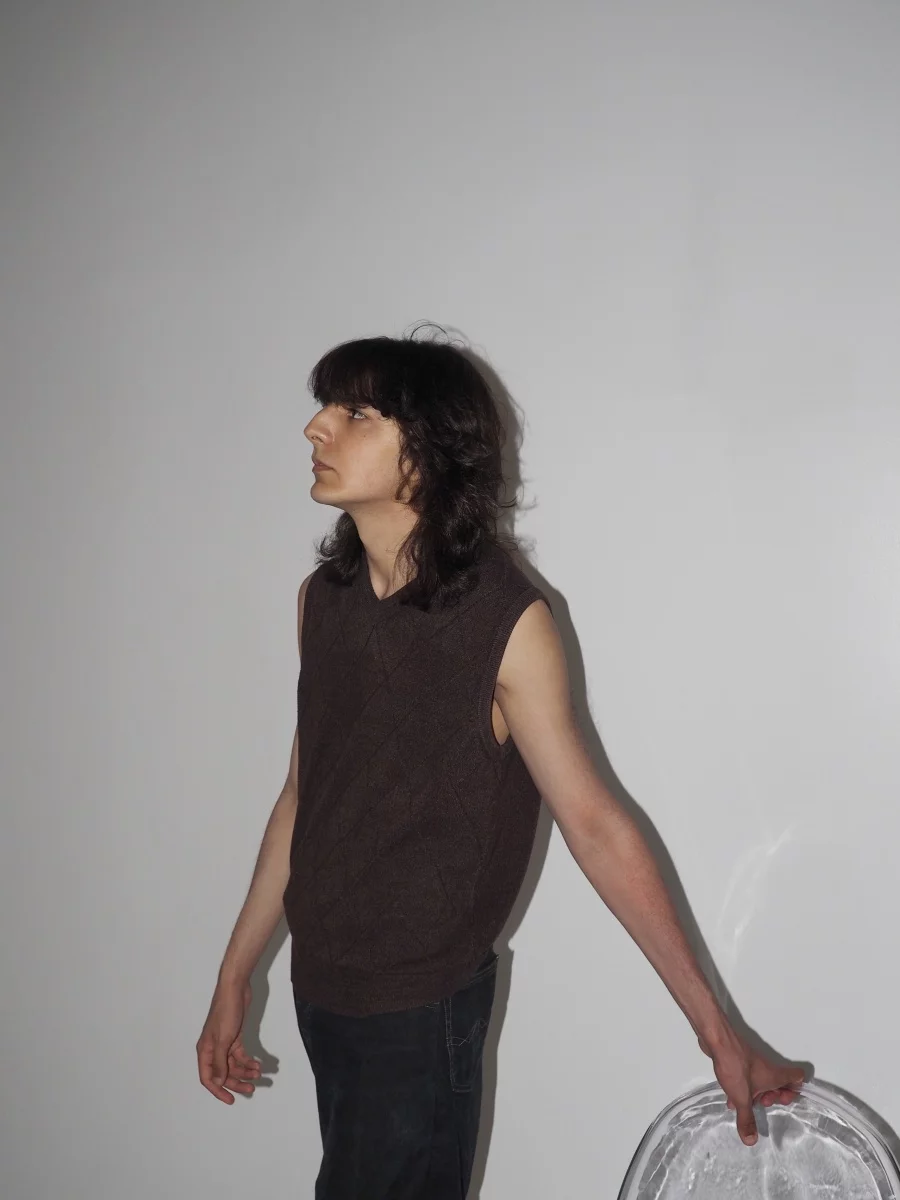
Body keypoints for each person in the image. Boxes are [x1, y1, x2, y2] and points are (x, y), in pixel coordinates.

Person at [196, 330, 804, 1198]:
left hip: (418, 1011)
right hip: (323, 990)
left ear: (428, 450)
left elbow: (594, 823)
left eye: (355, 412)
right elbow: (304, 794)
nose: (316, 428)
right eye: (324, 408)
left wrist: (719, 1032)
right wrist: (235, 975)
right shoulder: (322, 601)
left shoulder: (506, 621)